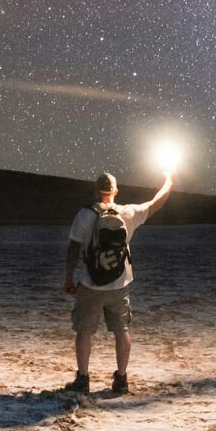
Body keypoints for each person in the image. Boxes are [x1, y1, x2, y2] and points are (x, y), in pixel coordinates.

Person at [61, 167, 173, 395]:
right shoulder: (127, 213)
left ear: (95, 191)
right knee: (121, 330)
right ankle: (121, 379)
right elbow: (155, 203)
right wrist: (170, 181)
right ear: (116, 191)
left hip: (90, 283)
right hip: (119, 284)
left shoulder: (84, 214)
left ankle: (83, 379)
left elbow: (73, 248)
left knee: (84, 331)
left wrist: (68, 277)